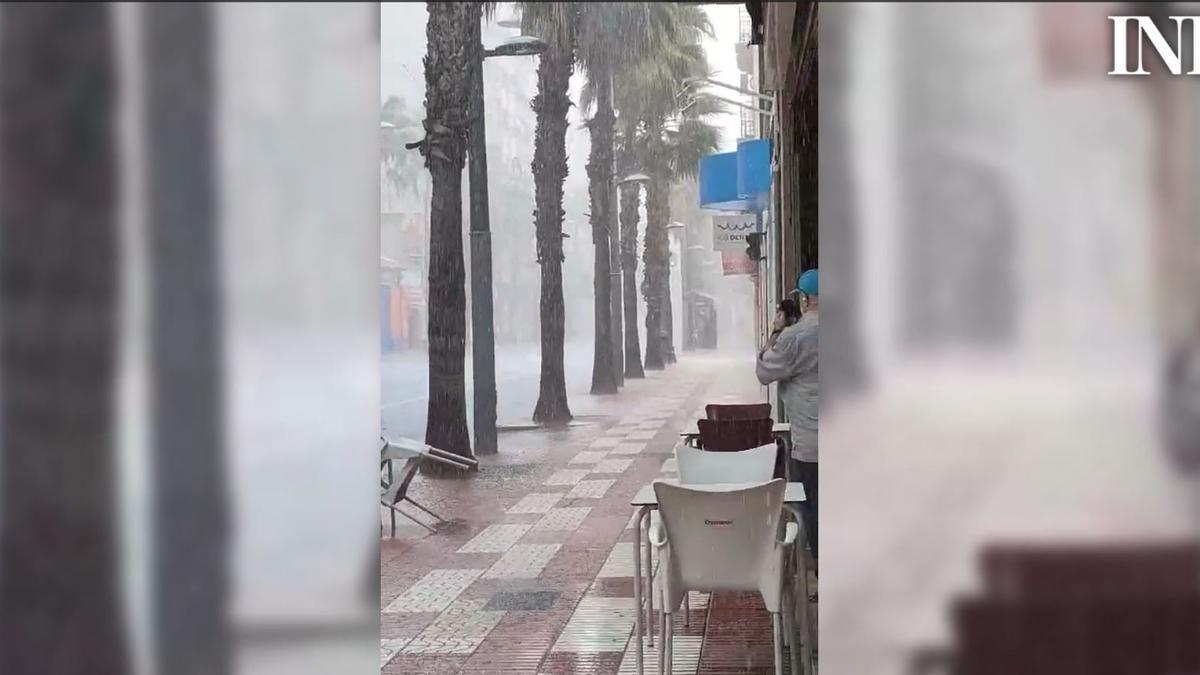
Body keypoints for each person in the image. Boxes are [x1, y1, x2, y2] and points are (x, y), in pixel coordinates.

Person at [756, 269, 818, 562]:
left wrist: (775, 333)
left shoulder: (794, 338)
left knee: (814, 507)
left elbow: (765, 372)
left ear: (805, 300)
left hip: (810, 441)